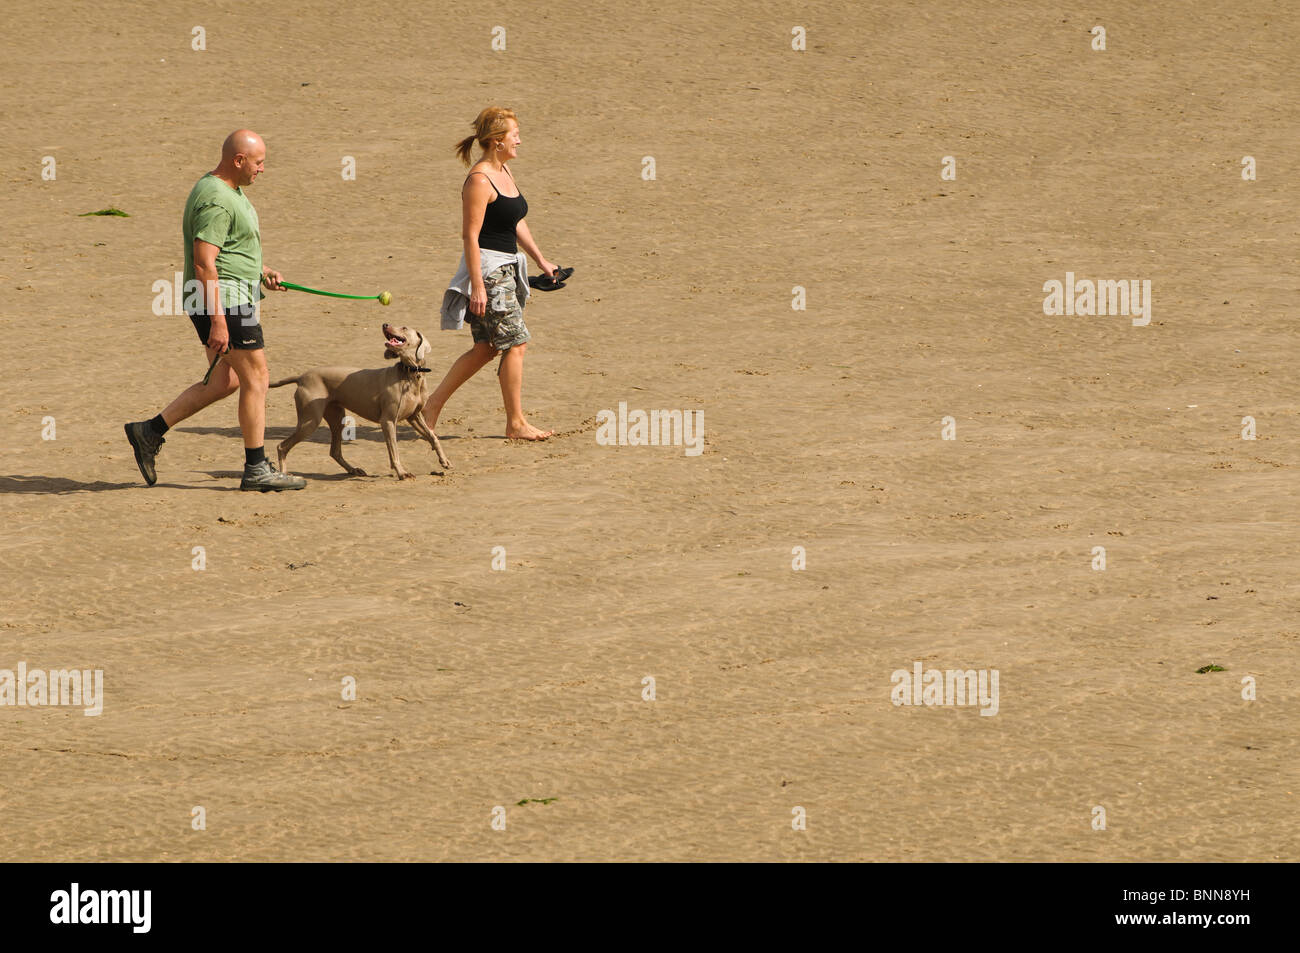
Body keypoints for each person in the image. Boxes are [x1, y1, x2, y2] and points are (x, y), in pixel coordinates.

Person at [124, 130, 306, 491]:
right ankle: (256, 468)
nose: (263, 169)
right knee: (257, 378)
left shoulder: (228, 191)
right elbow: (205, 263)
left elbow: (229, 249)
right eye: (258, 162)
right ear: (238, 160)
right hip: (225, 300)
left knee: (228, 379)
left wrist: (262, 271)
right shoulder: (217, 199)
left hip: (227, 295)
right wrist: (219, 322)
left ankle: (149, 431)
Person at [424, 107, 556, 441]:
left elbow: (514, 221)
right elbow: (470, 236)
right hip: (489, 272)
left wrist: (541, 260)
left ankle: (429, 408)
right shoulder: (479, 181)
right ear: (497, 141)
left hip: (508, 267)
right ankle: (515, 423)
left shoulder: (504, 171)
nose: (519, 140)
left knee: (486, 348)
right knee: (517, 343)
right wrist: (479, 287)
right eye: (515, 135)